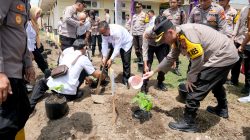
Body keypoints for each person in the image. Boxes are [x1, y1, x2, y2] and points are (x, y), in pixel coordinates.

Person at [143, 19, 239, 132]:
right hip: (226, 53)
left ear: (170, 32)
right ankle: (222, 108)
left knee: (197, 84)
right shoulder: (178, 35)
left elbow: (198, 59)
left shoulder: (186, 35)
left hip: (223, 55)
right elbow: (170, 57)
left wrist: (191, 78)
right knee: (215, 82)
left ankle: (189, 122)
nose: (164, 41)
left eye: (164, 38)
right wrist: (153, 71)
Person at [30, 39, 106, 110]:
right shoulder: (83, 58)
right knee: (85, 71)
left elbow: (68, 70)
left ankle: (31, 105)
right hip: (68, 94)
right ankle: (81, 90)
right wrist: (103, 76)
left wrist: (86, 77)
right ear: (85, 47)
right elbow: (97, 75)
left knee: (41, 83)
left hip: (53, 87)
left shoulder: (67, 54)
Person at [0, 0, 36, 139]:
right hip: (5, 73)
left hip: (17, 71)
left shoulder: (26, 3)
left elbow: (22, 34)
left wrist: (28, 64)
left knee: (23, 111)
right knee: (6, 125)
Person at [98, 21, 133, 89]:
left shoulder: (117, 31)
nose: (103, 35)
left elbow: (117, 47)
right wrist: (104, 57)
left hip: (126, 43)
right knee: (104, 60)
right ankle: (102, 78)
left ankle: (126, 80)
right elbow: (104, 44)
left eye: (104, 33)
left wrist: (111, 59)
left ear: (108, 29)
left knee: (126, 61)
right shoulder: (104, 32)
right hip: (113, 42)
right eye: (101, 33)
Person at [141, 16, 169, 93]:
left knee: (163, 64)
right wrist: (145, 65)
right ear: (155, 24)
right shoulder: (147, 32)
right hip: (150, 47)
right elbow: (145, 49)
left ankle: (160, 82)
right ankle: (144, 85)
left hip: (161, 46)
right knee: (147, 67)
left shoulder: (167, 31)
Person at [163, 0, 187, 76]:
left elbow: (184, 24)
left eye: (174, 2)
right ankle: (166, 66)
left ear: (177, 3)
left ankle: (176, 68)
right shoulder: (165, 12)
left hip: (177, 36)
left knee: (176, 52)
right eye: (171, 2)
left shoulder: (181, 12)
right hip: (166, 36)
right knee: (166, 52)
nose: (172, 4)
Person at [26, 6, 50, 75]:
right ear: (32, 13)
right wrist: (30, 52)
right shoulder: (29, 24)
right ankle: (48, 74)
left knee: (41, 60)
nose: (38, 16)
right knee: (39, 61)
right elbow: (28, 39)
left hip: (35, 45)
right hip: (31, 47)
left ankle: (47, 73)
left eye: (39, 14)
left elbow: (36, 36)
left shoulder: (35, 23)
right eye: (37, 13)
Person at [235, 3, 250, 97]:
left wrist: (242, 45)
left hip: (247, 43)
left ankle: (248, 89)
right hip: (245, 41)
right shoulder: (245, 9)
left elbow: (249, 32)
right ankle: (247, 87)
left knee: (248, 68)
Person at [131, 2, 147, 66]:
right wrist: (131, 33)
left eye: (138, 7)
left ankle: (143, 59)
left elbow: (147, 25)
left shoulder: (145, 15)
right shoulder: (134, 16)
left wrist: (145, 33)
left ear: (141, 7)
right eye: (136, 7)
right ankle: (138, 58)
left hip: (141, 34)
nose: (137, 8)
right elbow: (132, 25)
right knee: (136, 47)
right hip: (135, 34)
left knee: (141, 47)